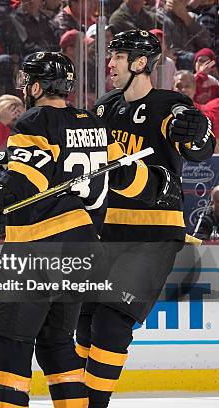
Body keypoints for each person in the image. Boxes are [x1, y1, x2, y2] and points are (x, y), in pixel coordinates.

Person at [0, 51, 181, 408]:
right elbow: (126, 177)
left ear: (36, 86)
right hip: (85, 250)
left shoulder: (33, 122)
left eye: (27, 81)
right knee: (56, 346)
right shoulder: (93, 123)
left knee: (12, 345)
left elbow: (29, 182)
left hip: (36, 252)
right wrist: (160, 183)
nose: (25, 87)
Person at [77, 29, 215, 408]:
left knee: (112, 321)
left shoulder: (171, 103)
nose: (110, 63)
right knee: (84, 322)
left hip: (153, 235)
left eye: (117, 57)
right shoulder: (105, 106)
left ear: (140, 63)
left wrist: (199, 135)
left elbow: (199, 147)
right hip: (105, 232)